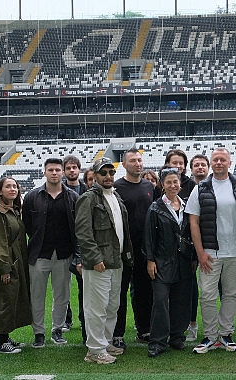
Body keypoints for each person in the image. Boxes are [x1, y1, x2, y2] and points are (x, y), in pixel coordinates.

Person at [185, 147, 236, 354]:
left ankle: (225, 335)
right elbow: (193, 222)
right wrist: (200, 252)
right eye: (216, 160)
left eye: (223, 160)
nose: (219, 163)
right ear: (211, 163)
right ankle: (210, 337)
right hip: (210, 251)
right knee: (207, 295)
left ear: (230, 163)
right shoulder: (201, 188)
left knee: (231, 294)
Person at [75, 157, 132, 364]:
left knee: (112, 305)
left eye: (111, 173)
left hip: (116, 261)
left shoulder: (115, 196)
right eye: (103, 173)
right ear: (95, 176)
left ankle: (105, 342)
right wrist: (94, 258)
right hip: (99, 263)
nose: (108, 176)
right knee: (96, 307)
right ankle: (94, 349)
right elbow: (83, 232)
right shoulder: (89, 198)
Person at [22, 158, 79, 348]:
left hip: (64, 253)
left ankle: (57, 329)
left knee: (62, 295)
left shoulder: (72, 197)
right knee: (36, 295)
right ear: (44, 172)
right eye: (50, 170)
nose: (54, 173)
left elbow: (77, 227)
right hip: (39, 254)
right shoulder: (32, 197)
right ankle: (39, 332)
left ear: (62, 173)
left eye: (57, 170)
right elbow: (28, 226)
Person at [144, 167, 194, 357]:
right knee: (160, 301)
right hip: (162, 261)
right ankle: (157, 341)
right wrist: (150, 260)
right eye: (168, 182)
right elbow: (148, 237)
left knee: (181, 300)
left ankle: (177, 337)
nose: (173, 185)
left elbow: (192, 233)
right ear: (162, 185)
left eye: (176, 182)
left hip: (183, 261)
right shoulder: (155, 208)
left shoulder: (187, 206)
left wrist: (193, 258)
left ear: (180, 184)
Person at [0, 177, 32, 354]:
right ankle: (1, 341)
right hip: (5, 264)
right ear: (0, 191)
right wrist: (4, 268)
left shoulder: (13, 210)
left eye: (15, 186)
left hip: (16, 261)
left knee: (11, 299)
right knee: (3, 299)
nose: (13, 189)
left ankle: (7, 337)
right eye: (8, 186)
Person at [113, 148, 155, 348]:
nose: (137, 164)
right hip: (123, 249)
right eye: (133, 161)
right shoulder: (116, 187)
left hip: (144, 248)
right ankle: (117, 333)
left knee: (144, 291)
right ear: (123, 164)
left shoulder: (148, 186)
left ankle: (144, 330)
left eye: (139, 160)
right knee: (119, 292)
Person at [62, 155, 88, 343]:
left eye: (74, 167)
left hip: (83, 244)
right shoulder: (58, 191)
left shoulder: (86, 190)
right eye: (69, 168)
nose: (72, 170)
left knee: (83, 285)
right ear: (64, 171)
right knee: (62, 285)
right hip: (64, 244)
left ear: (79, 169)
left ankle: (83, 318)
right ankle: (66, 319)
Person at [186, 154, 209, 341]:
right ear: (191, 168)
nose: (200, 167)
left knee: (216, 289)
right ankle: (191, 324)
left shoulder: (215, 186)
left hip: (212, 245)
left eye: (203, 164)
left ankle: (223, 326)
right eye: (196, 165)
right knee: (191, 288)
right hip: (188, 247)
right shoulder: (184, 187)